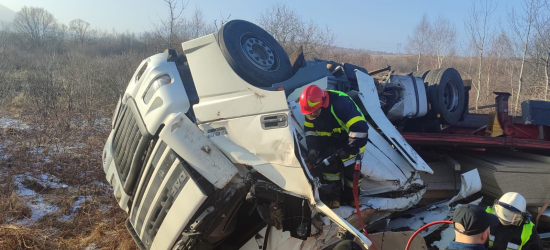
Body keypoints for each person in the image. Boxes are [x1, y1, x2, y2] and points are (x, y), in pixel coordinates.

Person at [299, 84, 369, 208]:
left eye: (314, 113)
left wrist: (348, 148)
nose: (311, 117)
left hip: (351, 142)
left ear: (322, 104)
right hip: (329, 143)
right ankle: (334, 199)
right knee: (329, 170)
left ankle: (353, 198)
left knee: (352, 172)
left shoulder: (340, 103)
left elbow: (360, 129)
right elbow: (310, 132)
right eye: (309, 114)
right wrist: (312, 149)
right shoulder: (310, 109)